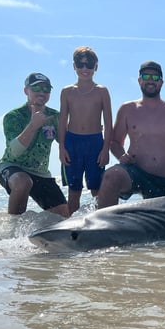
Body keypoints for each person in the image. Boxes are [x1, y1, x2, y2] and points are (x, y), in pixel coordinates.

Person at [96, 61, 165, 208]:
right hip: (134, 172)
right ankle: (99, 228)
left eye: (155, 77)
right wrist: (121, 155)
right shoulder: (127, 109)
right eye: (146, 76)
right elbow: (114, 142)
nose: (151, 80)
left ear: (161, 82)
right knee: (111, 175)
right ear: (139, 80)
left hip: (162, 180)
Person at [0, 73, 69, 217]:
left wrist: (89, 129)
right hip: (12, 166)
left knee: (63, 216)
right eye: (36, 88)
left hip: (40, 173)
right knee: (23, 182)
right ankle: (13, 230)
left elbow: (66, 142)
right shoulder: (14, 116)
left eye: (46, 89)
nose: (41, 92)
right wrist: (33, 125)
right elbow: (14, 151)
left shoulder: (55, 116)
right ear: (26, 91)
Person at [58, 46, 113, 215]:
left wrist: (105, 149)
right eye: (80, 65)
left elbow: (108, 123)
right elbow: (62, 121)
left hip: (95, 142)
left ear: (95, 67)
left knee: (97, 191)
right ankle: (72, 227)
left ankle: (99, 223)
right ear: (74, 66)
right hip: (72, 142)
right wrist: (62, 147)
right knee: (74, 191)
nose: (84, 69)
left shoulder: (101, 91)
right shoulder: (67, 92)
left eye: (89, 65)